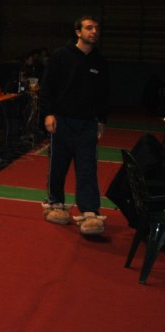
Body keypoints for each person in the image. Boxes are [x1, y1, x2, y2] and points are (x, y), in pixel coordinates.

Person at [39, 15, 110, 235]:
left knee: (87, 167)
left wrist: (102, 120)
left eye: (96, 28)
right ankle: (55, 202)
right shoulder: (61, 55)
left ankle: (90, 211)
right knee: (58, 165)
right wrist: (48, 114)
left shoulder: (100, 61)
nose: (94, 31)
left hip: (88, 123)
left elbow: (104, 93)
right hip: (62, 120)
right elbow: (47, 86)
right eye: (89, 28)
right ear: (78, 32)